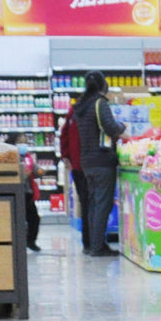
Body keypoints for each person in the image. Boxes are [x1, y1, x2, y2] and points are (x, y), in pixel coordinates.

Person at [73, 71, 123, 257]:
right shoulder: (99, 103)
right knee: (103, 204)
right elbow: (110, 127)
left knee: (94, 204)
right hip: (102, 160)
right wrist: (122, 128)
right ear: (103, 84)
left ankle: (94, 244)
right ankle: (98, 246)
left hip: (87, 161)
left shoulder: (81, 106)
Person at [58, 100, 90, 252]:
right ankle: (93, 242)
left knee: (85, 202)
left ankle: (88, 242)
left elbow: (63, 134)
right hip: (89, 164)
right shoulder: (94, 108)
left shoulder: (74, 111)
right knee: (92, 203)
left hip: (76, 163)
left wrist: (65, 156)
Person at [9, 132, 41, 252]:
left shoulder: (28, 157)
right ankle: (18, 243)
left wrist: (41, 172)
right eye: (20, 142)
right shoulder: (10, 156)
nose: (23, 145)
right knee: (18, 219)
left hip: (27, 193)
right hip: (15, 192)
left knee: (34, 219)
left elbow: (36, 169)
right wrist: (22, 174)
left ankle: (31, 241)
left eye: (25, 142)